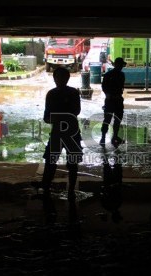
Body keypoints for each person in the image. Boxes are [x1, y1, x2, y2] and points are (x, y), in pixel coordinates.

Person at [41, 67, 83, 201]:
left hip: (68, 132)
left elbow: (76, 111)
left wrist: (57, 117)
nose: (59, 80)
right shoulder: (53, 94)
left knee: (71, 162)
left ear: (67, 79)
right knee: (51, 161)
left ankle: (70, 189)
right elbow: (47, 117)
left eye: (61, 78)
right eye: (57, 78)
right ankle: (46, 186)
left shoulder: (70, 93)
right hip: (62, 132)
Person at [100, 57, 127, 147]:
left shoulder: (109, 74)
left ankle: (106, 138)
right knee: (114, 119)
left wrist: (108, 94)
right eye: (120, 65)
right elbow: (105, 87)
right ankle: (111, 137)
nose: (121, 66)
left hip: (112, 100)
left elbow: (104, 87)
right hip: (115, 100)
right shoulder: (120, 75)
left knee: (109, 119)